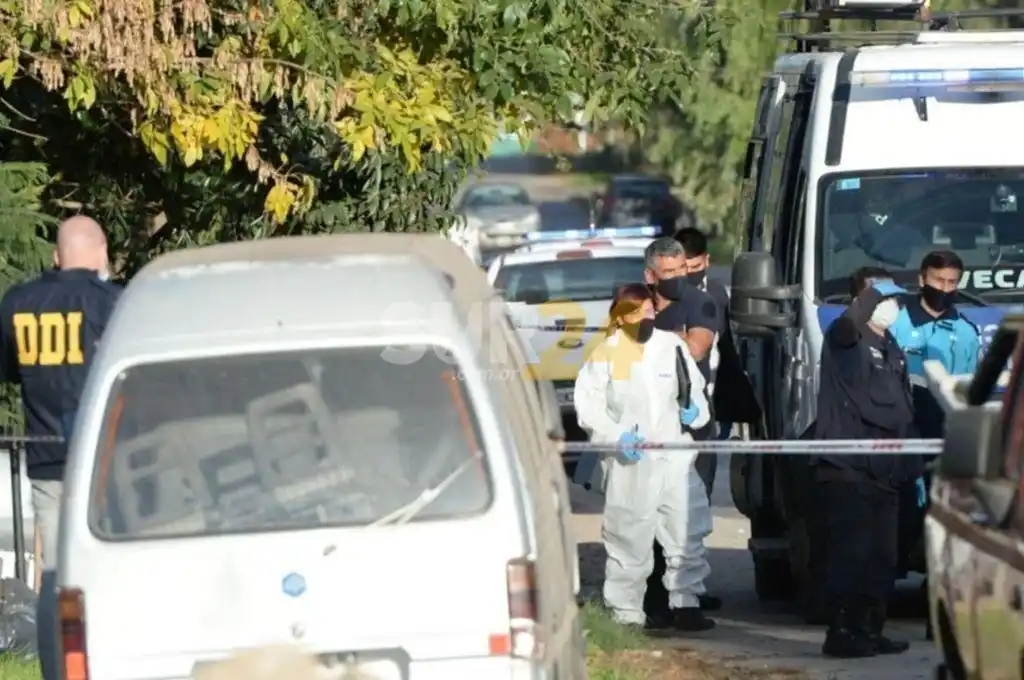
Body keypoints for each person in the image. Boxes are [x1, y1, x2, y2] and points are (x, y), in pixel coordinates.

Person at [574, 283, 713, 632]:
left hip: (674, 456)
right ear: (621, 317)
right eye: (637, 313)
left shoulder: (671, 347)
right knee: (628, 536)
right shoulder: (607, 353)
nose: (646, 318)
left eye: (650, 310)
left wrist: (695, 414)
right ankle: (626, 613)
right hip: (630, 464)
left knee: (686, 529)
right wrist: (613, 437)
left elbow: (695, 392)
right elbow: (589, 408)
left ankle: (687, 603)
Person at [0, 216, 121, 577]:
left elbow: (9, 371)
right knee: (107, 569)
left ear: (56, 256)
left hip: (47, 457)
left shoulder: (17, 303)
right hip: (106, 460)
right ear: (102, 253)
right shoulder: (113, 302)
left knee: (58, 575)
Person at [813, 267, 921, 659]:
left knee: (882, 557)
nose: (889, 303)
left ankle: (871, 628)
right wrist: (868, 299)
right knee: (851, 554)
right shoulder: (845, 337)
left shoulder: (889, 343)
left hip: (885, 469)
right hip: (849, 467)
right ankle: (842, 630)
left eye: (892, 296)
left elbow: (900, 404)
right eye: (880, 296)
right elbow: (846, 327)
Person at [641, 237, 721, 621]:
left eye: (680, 270)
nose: (676, 278)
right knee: (647, 516)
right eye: (668, 272)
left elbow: (696, 347)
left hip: (690, 427)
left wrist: (649, 336)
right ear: (650, 275)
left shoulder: (699, 302)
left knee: (687, 518)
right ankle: (655, 601)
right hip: (648, 427)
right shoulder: (636, 303)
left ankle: (688, 600)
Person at [673, 227, 759, 496]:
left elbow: (726, 347)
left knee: (702, 481)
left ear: (707, 261)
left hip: (706, 400)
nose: (690, 273)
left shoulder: (717, 294)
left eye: (696, 267)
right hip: (670, 398)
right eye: (684, 268)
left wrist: (728, 406)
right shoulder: (663, 298)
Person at [889, 250, 980, 438]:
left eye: (951, 282)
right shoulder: (894, 325)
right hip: (904, 429)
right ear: (922, 280)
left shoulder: (967, 332)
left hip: (953, 430)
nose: (944, 289)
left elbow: (971, 387)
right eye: (938, 280)